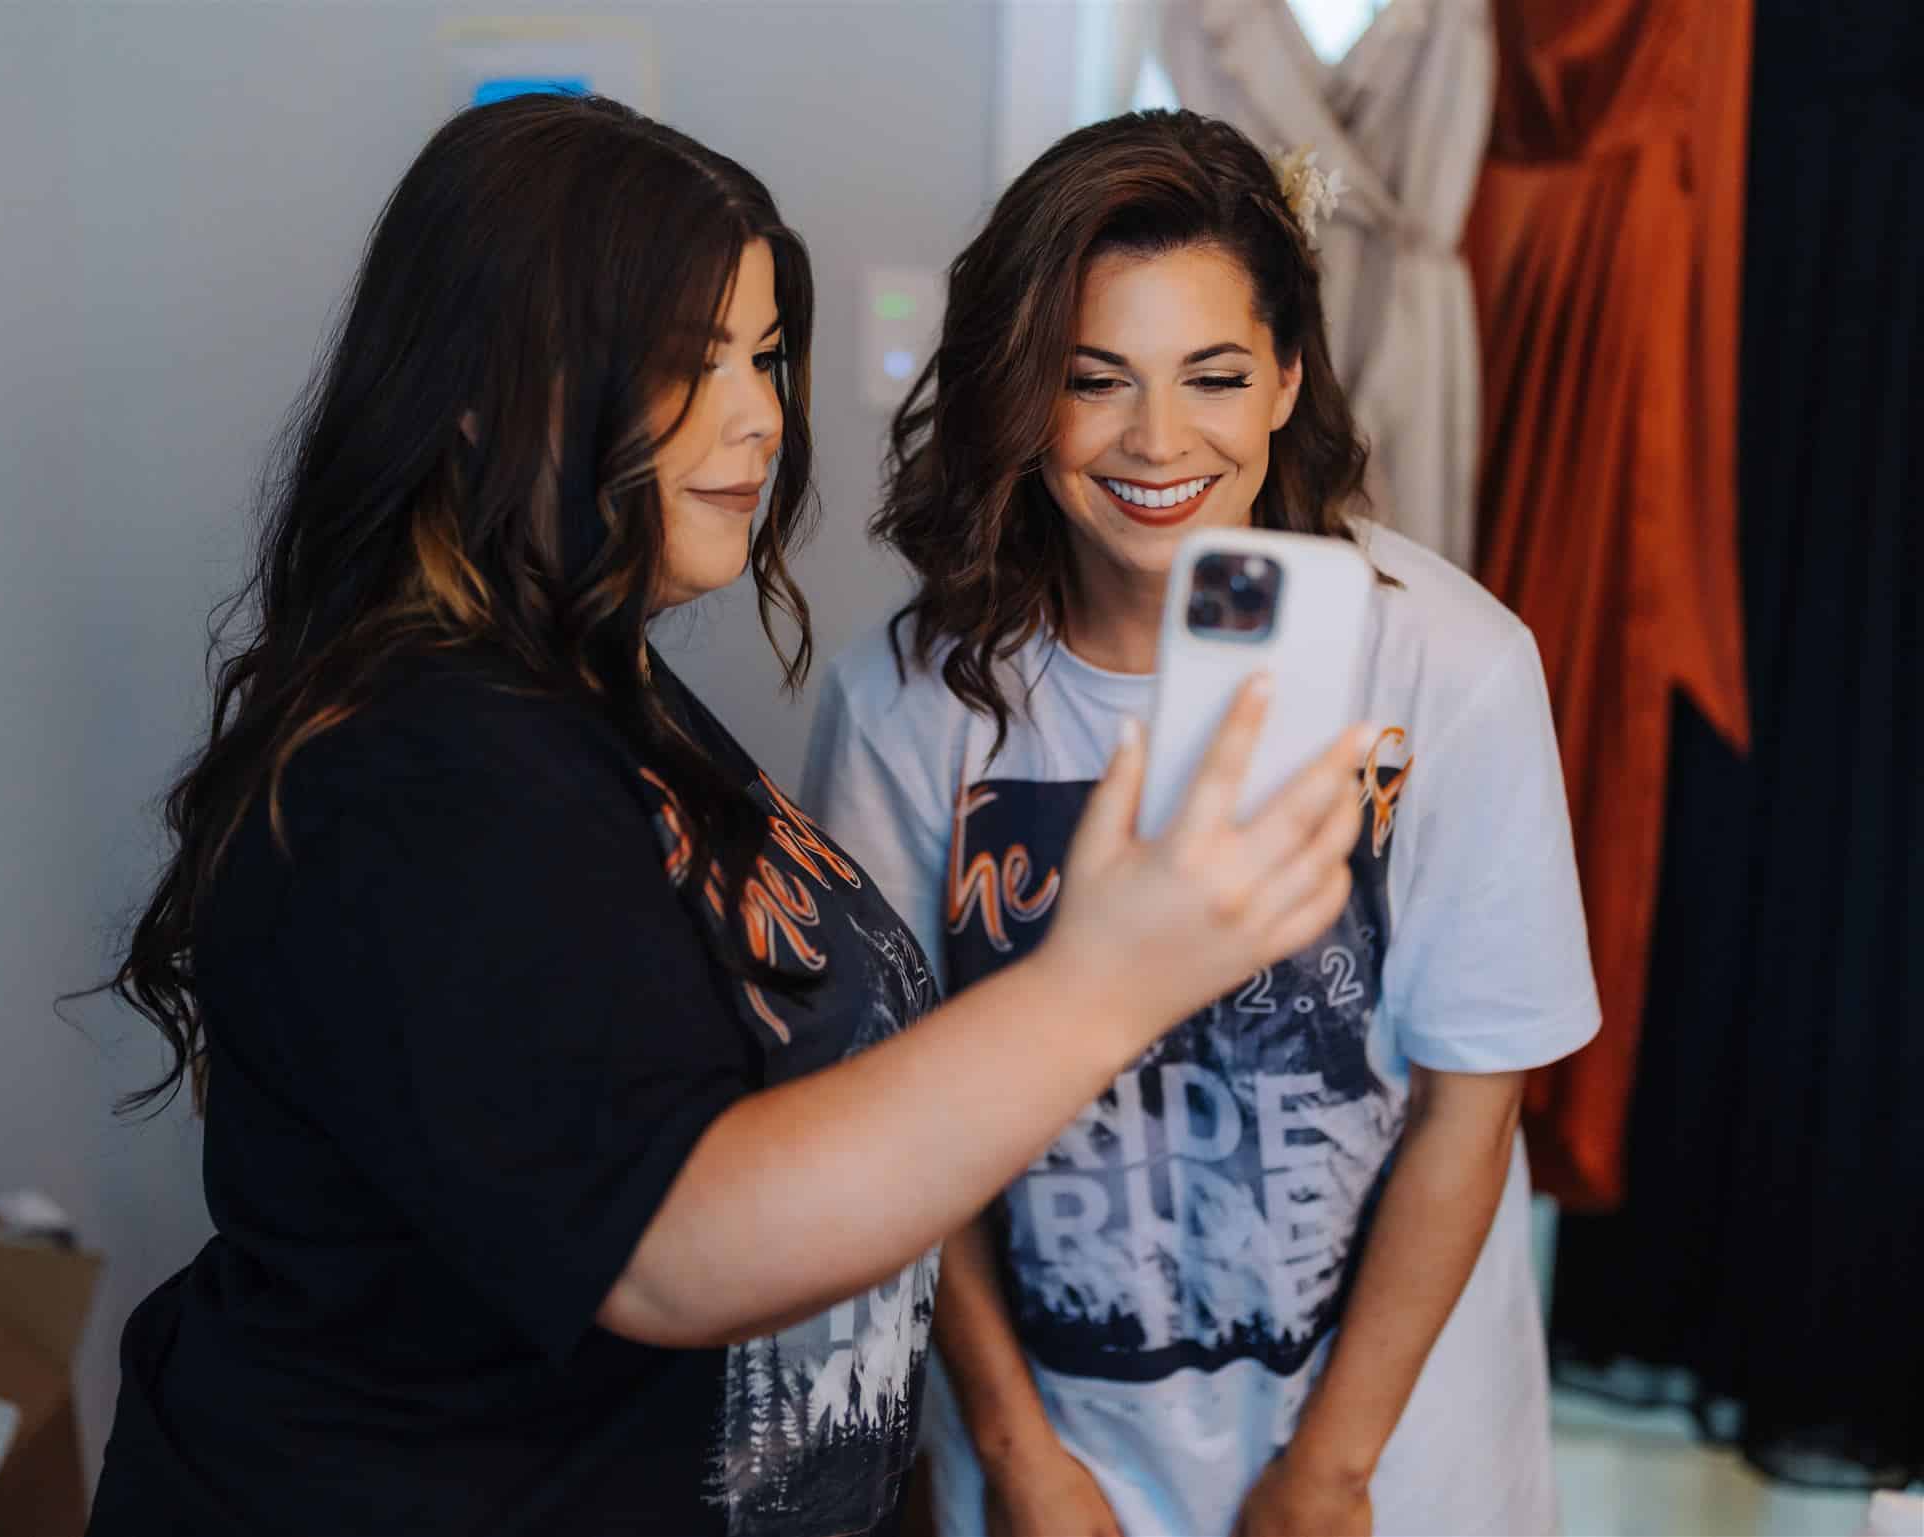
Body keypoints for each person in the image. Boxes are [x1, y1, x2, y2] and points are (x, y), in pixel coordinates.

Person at [83, 95, 1371, 1537]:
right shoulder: (416, 771)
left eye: (762, 354)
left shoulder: (591, 687)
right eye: (689, 362)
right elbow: (672, 1246)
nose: (761, 412)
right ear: (478, 384)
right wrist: (1109, 977)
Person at [802, 110, 1600, 1537]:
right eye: (1092, 380)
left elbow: (1470, 1103)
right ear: (1020, 394)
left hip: (1390, 1467)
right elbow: (891, 1121)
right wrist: (1013, 1446)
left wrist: (1334, 1469)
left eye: (1213, 376)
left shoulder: (1455, 671)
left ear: (1288, 376)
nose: (1158, 440)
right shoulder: (904, 705)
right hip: (1060, 1474)